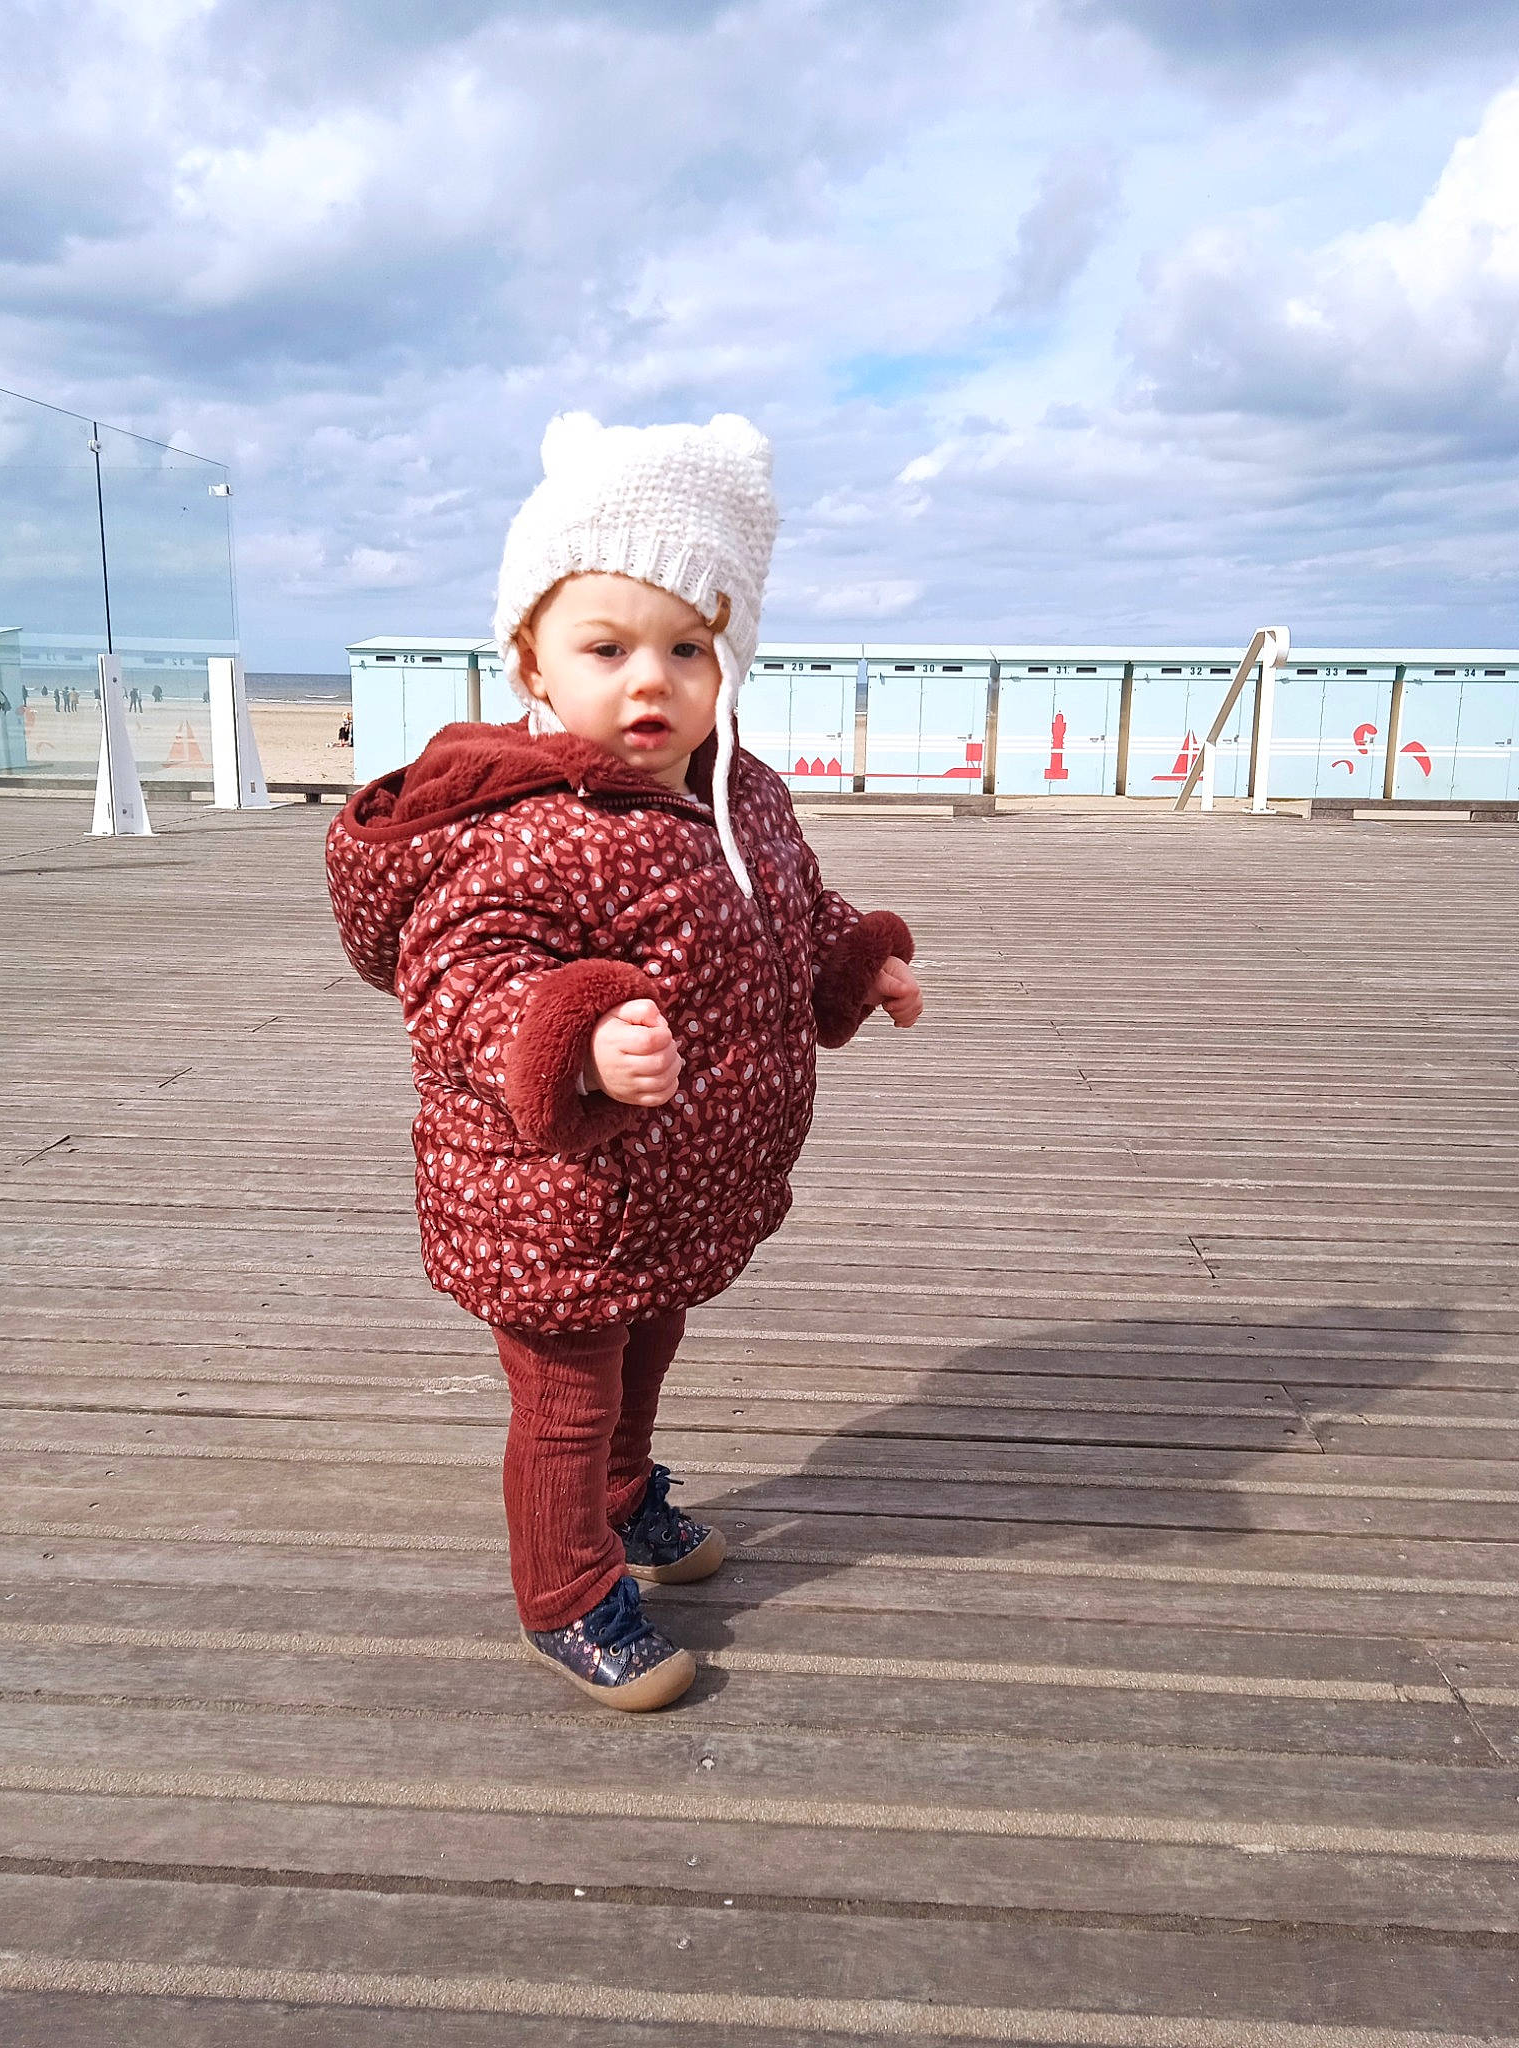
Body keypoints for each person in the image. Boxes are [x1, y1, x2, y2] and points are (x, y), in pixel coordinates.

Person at [325, 412, 922, 1712]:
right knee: (564, 1402)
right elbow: (465, 981)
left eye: (687, 648)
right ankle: (566, 1593)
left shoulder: (738, 790)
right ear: (531, 661)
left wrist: (852, 961)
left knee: (645, 1356)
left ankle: (623, 1495)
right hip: (552, 1196)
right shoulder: (523, 824)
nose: (650, 681)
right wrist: (579, 1040)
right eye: (607, 649)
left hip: (672, 1189)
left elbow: (788, 906)